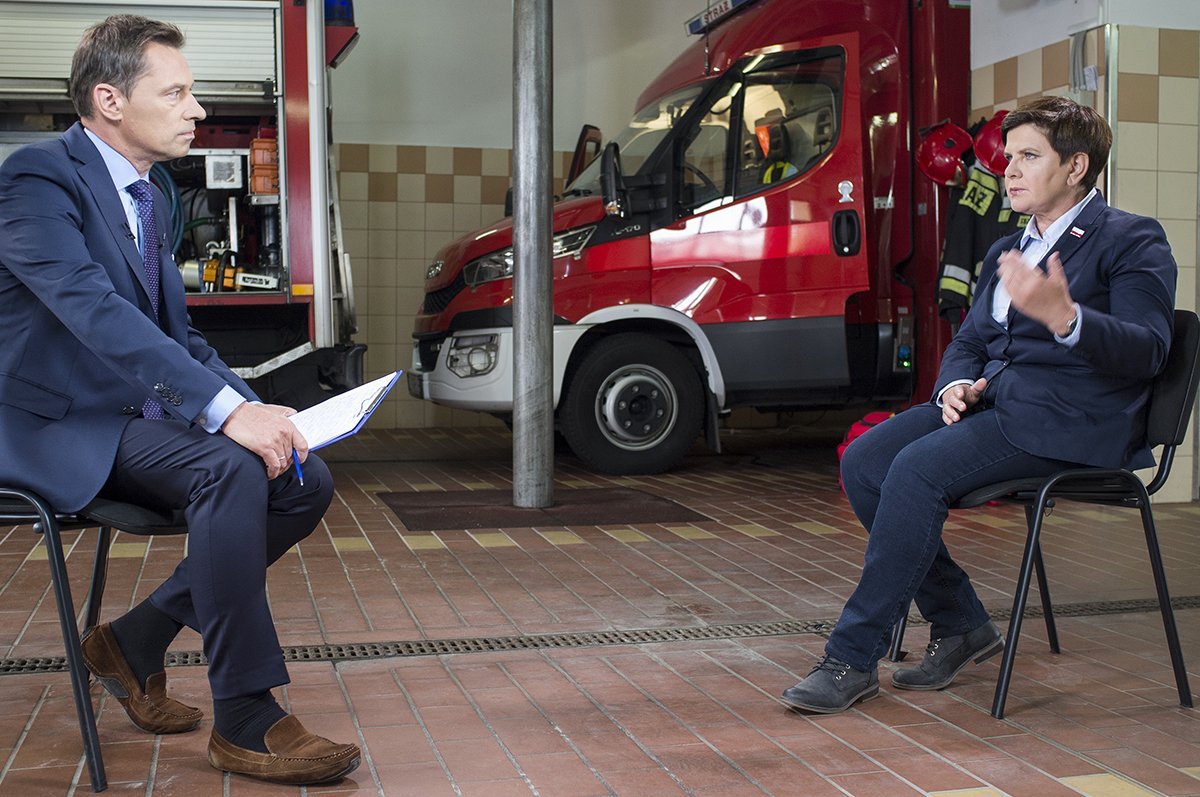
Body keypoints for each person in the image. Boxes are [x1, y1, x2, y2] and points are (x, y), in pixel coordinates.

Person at [0, 15, 360, 783]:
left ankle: (134, 638)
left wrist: (260, 406)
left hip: (132, 417)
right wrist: (229, 419)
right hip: (54, 424)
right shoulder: (36, 179)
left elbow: (179, 337)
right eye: (178, 92)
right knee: (227, 469)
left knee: (302, 475)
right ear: (109, 100)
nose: (197, 109)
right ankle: (246, 716)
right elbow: (93, 312)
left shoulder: (151, 192)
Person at [781, 95, 1177, 713]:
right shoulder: (1005, 250)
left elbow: (1150, 350)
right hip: (998, 405)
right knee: (864, 462)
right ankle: (961, 622)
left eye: (1028, 156)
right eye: (1009, 156)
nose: (1007, 169)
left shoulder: (1130, 238)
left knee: (914, 471)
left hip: (1072, 421)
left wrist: (1067, 318)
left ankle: (850, 658)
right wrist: (953, 386)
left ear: (1076, 167)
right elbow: (970, 339)